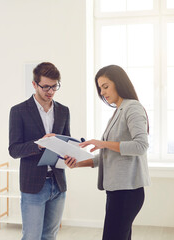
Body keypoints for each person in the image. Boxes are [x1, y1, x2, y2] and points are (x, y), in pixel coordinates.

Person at [70, 65, 150, 240]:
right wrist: (78, 163)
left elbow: (141, 146)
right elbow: (109, 156)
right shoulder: (117, 112)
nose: (102, 92)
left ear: (119, 83)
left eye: (105, 86)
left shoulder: (132, 107)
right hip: (117, 191)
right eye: (100, 88)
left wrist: (103, 143)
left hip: (127, 192)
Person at [9, 62, 76, 240]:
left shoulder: (63, 111)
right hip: (33, 186)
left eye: (55, 86)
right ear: (34, 84)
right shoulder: (19, 111)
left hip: (58, 183)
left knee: (50, 236)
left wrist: (71, 155)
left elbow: (66, 142)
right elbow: (14, 150)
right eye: (45, 86)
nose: (50, 91)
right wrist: (40, 144)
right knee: (31, 236)